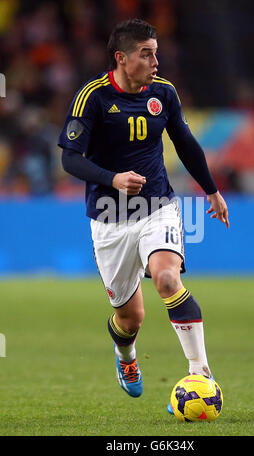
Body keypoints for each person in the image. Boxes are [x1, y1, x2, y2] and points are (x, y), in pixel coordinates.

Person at [58, 18, 229, 413]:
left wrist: (212, 190)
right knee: (130, 318)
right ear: (121, 58)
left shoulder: (164, 94)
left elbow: (185, 142)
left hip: (158, 206)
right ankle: (126, 358)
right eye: (146, 53)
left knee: (167, 278)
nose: (156, 61)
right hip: (108, 218)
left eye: (156, 52)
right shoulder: (93, 97)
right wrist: (112, 178)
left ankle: (200, 374)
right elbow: (70, 158)